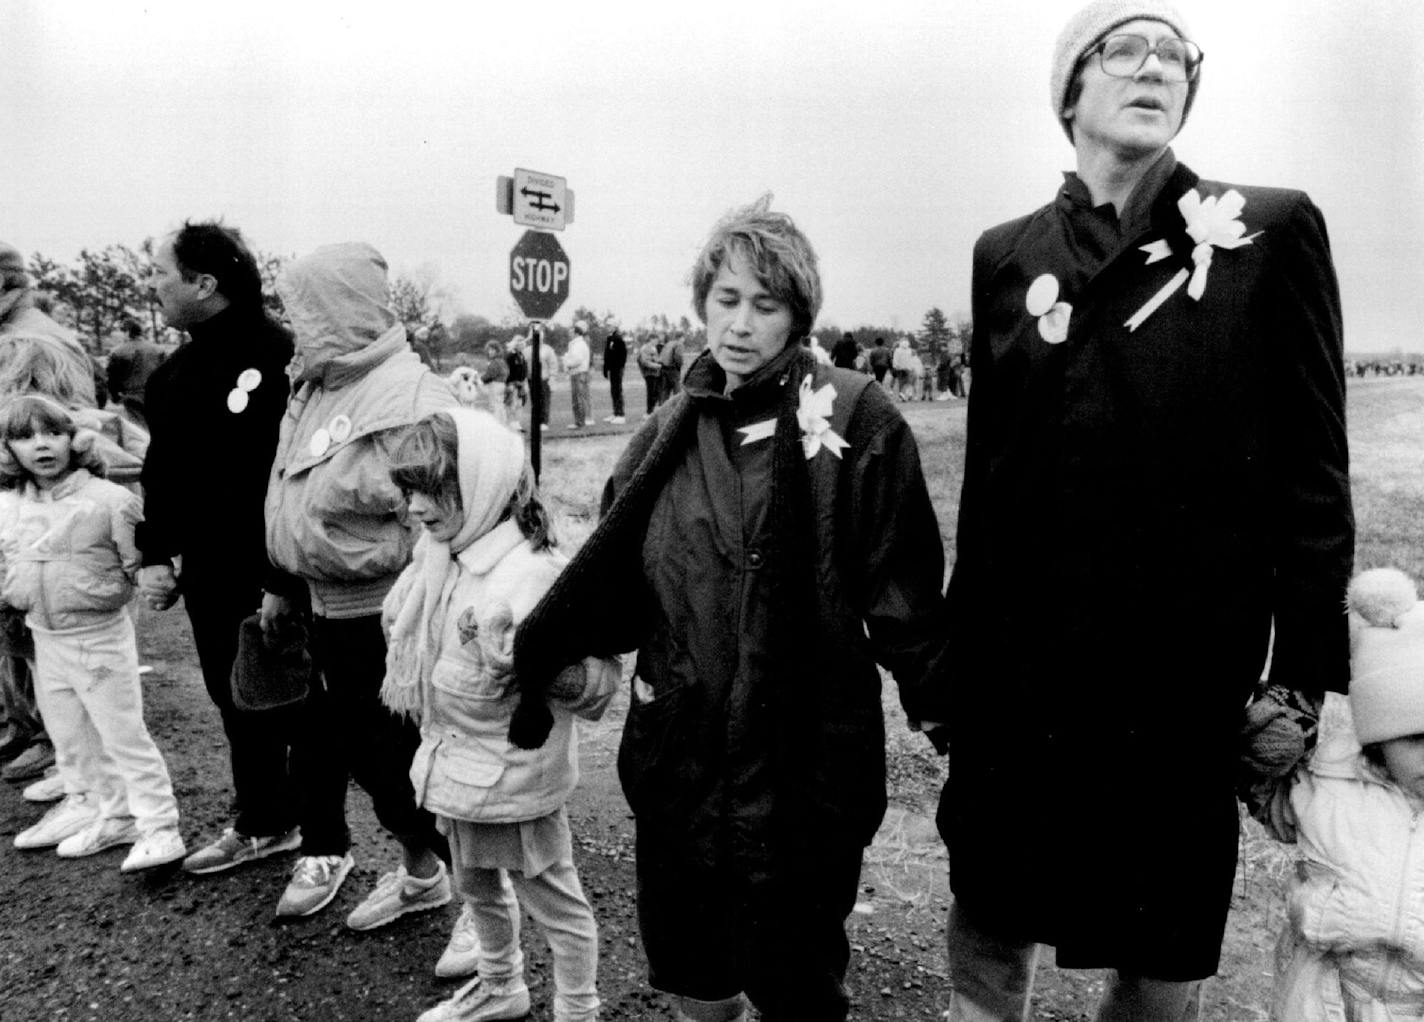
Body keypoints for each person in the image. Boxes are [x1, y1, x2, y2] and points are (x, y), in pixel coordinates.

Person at [936, 4, 1354, 1020]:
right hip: (1025, 675)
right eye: (1124, 48)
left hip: (1176, 677)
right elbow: (988, 484)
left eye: (1175, 56)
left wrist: (1298, 679)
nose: (1154, 66)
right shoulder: (1005, 256)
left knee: (1158, 943)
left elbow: (1311, 472)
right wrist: (956, 661)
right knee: (988, 917)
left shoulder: (1265, 230)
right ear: (1068, 91)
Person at [506, 196, 947, 1022]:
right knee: (695, 979)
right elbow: (617, 577)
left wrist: (944, 708)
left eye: (766, 304)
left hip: (805, 763)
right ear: (702, 303)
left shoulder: (859, 417)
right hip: (685, 755)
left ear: (798, 315)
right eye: (727, 300)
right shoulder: (666, 432)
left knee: (799, 986)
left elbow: (903, 591)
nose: (741, 325)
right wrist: (566, 650)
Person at [382, 408, 619, 1021]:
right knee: (475, 888)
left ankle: (578, 1010)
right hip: (454, 768)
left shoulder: (534, 573)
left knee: (557, 906)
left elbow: (598, 681)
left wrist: (543, 667)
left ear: (484, 484)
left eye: (431, 490)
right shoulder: (440, 558)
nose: (413, 508)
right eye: (408, 491)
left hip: (515, 779)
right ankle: (500, 986)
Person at [262, 241, 456, 924]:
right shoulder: (317, 388)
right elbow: (295, 490)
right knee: (375, 766)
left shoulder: (408, 394)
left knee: (415, 768)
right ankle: (422, 872)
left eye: (302, 309)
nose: (293, 324)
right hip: (328, 610)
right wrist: (283, 582)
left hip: (390, 613)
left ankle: (485, 912)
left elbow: (440, 511)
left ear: (336, 307)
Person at [136, 221, 302, 878]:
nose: (152, 284)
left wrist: (280, 578)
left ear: (205, 283)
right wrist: (155, 552)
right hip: (209, 571)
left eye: (160, 273)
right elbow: (162, 472)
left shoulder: (285, 357)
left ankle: (331, 841)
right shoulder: (173, 372)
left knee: (302, 706)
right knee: (234, 697)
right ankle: (267, 823)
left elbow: (290, 476)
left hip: (280, 571)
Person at [1, 395, 185, 871]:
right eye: (24, 437)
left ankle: (159, 824)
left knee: (122, 733)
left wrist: (147, 584)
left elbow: (139, 564)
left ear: (74, 439)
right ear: (8, 449)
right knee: (70, 733)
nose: (41, 445)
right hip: (44, 637)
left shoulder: (109, 500)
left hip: (99, 636)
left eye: (52, 433)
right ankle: (98, 807)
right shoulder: (8, 505)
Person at [1270, 568, 1424, 1021]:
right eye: (1416, 739)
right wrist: (1264, 756)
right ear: (1377, 735)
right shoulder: (1328, 784)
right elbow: (1269, 799)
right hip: (1323, 997)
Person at [105, 318, 165, 429]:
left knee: (138, 428)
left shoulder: (118, 352)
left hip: (133, 396)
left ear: (127, 332)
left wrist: (114, 396)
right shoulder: (158, 350)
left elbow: (112, 377)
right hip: (157, 394)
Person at [562, 322, 592, 429]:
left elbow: (577, 360)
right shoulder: (576, 344)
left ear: (576, 333)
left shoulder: (578, 345)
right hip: (577, 373)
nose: (569, 334)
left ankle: (579, 422)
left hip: (579, 373)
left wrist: (566, 362)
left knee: (578, 399)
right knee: (577, 399)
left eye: (571, 332)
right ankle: (579, 421)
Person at [602, 325, 628, 425]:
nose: (608, 327)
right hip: (612, 370)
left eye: (610, 326)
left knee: (617, 390)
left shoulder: (618, 338)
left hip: (617, 369)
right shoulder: (609, 338)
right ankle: (615, 413)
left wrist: (619, 366)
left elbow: (623, 354)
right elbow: (607, 354)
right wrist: (606, 368)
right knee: (613, 391)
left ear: (614, 327)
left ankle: (621, 415)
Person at [480, 342, 509, 427]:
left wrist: (479, 380)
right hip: (502, 384)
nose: (490, 352)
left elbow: (490, 375)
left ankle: (496, 425)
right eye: (489, 350)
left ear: (497, 351)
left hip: (495, 385)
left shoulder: (495, 362)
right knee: (500, 405)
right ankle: (503, 424)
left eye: (492, 350)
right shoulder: (502, 361)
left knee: (494, 406)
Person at [537, 332, 559, 432]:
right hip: (533, 380)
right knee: (536, 401)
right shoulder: (530, 349)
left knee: (545, 401)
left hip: (544, 379)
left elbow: (553, 364)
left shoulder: (547, 349)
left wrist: (552, 377)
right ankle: (537, 420)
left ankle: (544, 422)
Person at [505, 336, 529, 426]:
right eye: (520, 344)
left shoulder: (521, 355)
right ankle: (511, 422)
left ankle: (517, 423)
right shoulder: (510, 356)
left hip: (521, 383)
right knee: (512, 404)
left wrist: (523, 381)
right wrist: (511, 382)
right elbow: (507, 371)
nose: (522, 345)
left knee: (520, 404)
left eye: (523, 344)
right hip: (512, 383)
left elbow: (524, 369)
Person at [637, 333, 664, 414]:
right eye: (656, 340)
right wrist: (658, 366)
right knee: (651, 393)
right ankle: (649, 412)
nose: (657, 342)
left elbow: (655, 359)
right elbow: (645, 362)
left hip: (655, 373)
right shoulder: (645, 348)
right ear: (651, 339)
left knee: (656, 393)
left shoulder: (653, 348)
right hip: (650, 374)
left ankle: (651, 411)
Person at [658, 329, 685, 404]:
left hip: (664, 369)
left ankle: (662, 410)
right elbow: (678, 357)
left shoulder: (669, 343)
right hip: (673, 371)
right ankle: (677, 410)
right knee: (677, 392)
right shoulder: (679, 344)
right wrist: (679, 367)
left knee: (665, 392)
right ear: (681, 337)